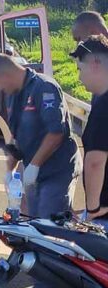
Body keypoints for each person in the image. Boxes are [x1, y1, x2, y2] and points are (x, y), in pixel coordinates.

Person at [0, 54, 82, 218]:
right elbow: (15, 137)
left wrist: (34, 166)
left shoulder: (44, 87)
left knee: (49, 220)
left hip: (57, 170)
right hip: (34, 172)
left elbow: (56, 132)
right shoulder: (13, 96)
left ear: (5, 75)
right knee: (32, 221)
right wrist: (10, 170)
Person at [70, 35, 108, 230]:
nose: (79, 77)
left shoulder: (104, 107)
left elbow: (95, 162)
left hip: (103, 216)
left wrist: (92, 210)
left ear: (94, 63)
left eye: (80, 68)